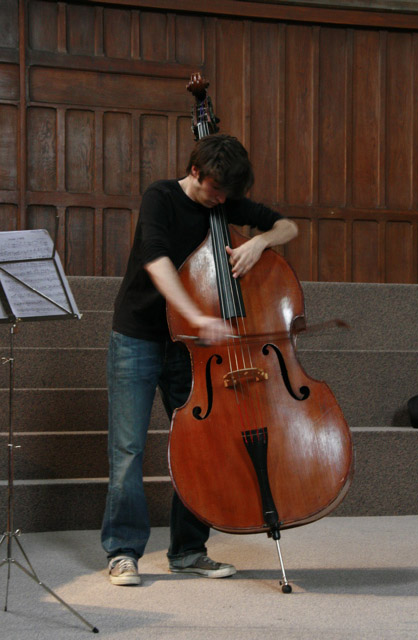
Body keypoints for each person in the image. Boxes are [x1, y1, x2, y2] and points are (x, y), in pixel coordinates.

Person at [101, 134, 298, 586]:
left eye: (229, 195)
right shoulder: (161, 196)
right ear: (196, 173)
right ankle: (123, 552)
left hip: (188, 348)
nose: (221, 201)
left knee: (201, 445)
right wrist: (194, 315)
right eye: (215, 191)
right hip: (139, 336)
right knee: (128, 451)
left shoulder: (224, 201)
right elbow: (156, 260)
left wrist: (260, 242)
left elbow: (288, 226)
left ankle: (188, 551)